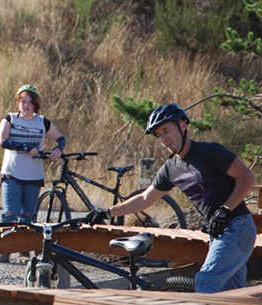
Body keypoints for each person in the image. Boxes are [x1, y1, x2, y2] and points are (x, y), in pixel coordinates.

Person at [84, 103, 256, 294]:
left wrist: (225, 209)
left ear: (183, 125)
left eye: (166, 131)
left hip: (237, 227)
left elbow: (247, 177)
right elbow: (144, 198)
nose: (164, 139)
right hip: (220, 234)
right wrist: (108, 212)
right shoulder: (170, 168)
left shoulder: (209, 152)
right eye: (159, 135)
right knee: (231, 298)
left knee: (205, 283)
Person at [0, 84, 65, 226]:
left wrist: (58, 149)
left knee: (28, 220)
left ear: (35, 105)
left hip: (33, 176)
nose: (26, 105)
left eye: (30, 102)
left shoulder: (42, 122)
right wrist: (25, 147)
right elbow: (2, 142)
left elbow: (61, 138)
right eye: (22, 102)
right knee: (10, 217)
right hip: (12, 173)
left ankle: (25, 249)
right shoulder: (10, 119)